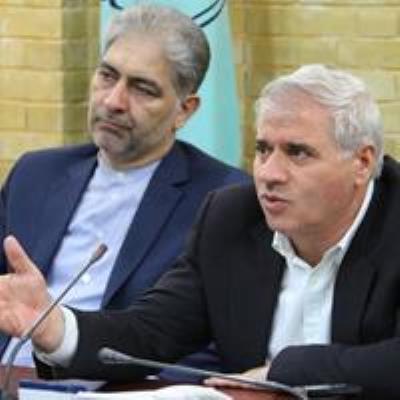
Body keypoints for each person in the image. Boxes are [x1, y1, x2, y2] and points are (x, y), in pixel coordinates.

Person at [1, 64, 399, 400]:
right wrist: (55, 327)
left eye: (298, 153)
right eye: (263, 149)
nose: (270, 174)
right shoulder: (232, 217)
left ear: (362, 163)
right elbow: (151, 331)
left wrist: (285, 371)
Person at [0, 4, 249, 368]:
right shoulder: (36, 174)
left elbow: (211, 349)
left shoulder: (223, 199)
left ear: (185, 110)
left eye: (142, 89)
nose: (113, 101)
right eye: (107, 76)